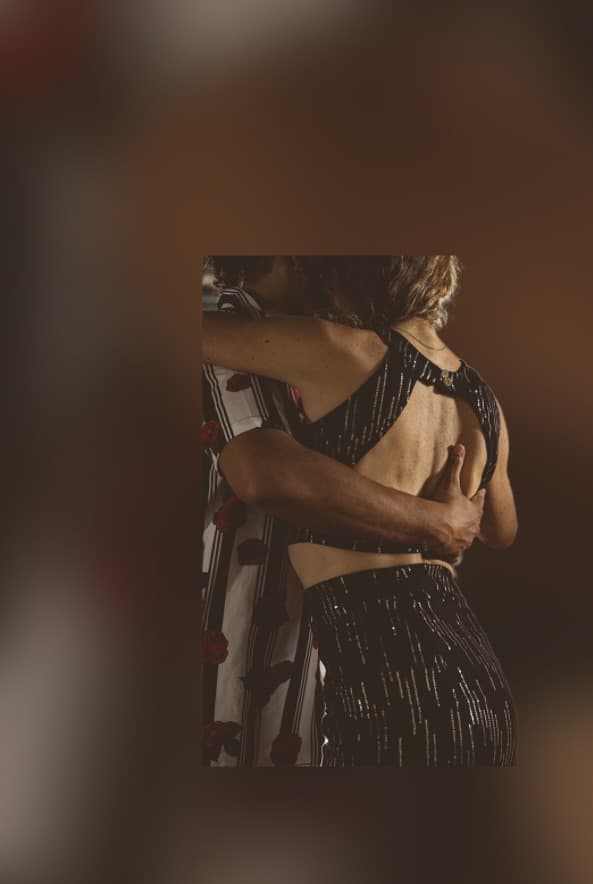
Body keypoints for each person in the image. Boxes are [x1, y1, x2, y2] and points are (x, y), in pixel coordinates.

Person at [201, 256, 518, 766]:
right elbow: (502, 530)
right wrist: (444, 515)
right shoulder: (483, 399)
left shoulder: (334, 351)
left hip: (391, 680)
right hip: (479, 670)